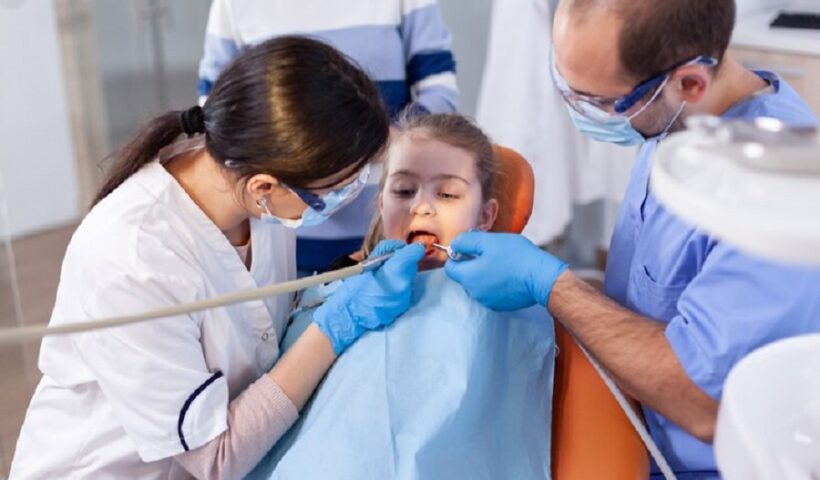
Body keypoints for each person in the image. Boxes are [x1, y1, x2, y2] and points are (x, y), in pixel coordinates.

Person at [10, 36, 425, 480]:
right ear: (264, 187)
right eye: (335, 191)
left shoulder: (254, 194)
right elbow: (216, 459)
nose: (345, 198)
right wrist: (332, 330)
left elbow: (256, 333)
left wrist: (338, 281)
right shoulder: (133, 256)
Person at [443, 0, 820, 477]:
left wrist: (552, 285)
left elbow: (702, 403)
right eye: (568, 90)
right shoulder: (678, 125)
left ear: (689, 84)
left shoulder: (770, 195)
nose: (583, 115)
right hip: (622, 417)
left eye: (600, 103)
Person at [248, 113, 554, 479]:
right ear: (381, 204)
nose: (421, 207)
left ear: (486, 216)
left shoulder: (508, 304)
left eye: (447, 194)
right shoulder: (333, 288)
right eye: (404, 191)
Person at [197, 0, 460, 273]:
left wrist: (377, 144)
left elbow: (440, 91)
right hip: (285, 224)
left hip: (385, 218)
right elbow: (217, 111)